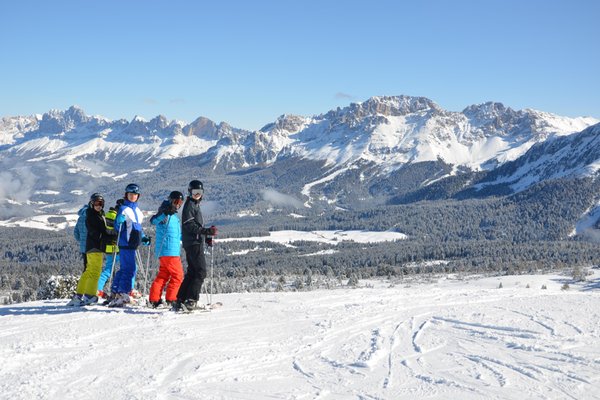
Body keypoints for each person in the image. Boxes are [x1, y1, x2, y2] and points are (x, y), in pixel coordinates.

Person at [67, 193, 117, 306]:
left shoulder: (92, 214)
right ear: (91, 204)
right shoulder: (94, 216)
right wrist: (113, 234)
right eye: (96, 203)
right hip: (95, 247)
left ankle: (79, 295)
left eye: (101, 203)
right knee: (94, 272)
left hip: (89, 247)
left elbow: (78, 234)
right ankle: (89, 295)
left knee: (88, 271)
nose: (98, 206)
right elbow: (101, 231)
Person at [175, 180, 217, 312]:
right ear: (190, 192)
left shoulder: (194, 204)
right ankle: (191, 300)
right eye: (194, 192)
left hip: (193, 242)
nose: (197, 194)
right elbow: (189, 225)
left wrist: (206, 237)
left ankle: (180, 299)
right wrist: (205, 231)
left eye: (200, 192)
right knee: (200, 272)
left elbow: (196, 226)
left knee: (192, 272)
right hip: (193, 243)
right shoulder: (190, 205)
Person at [108, 183, 151, 307]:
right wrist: (118, 221)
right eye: (131, 194)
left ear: (138, 196)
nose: (133, 196)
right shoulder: (123, 209)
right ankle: (123, 293)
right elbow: (117, 227)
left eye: (135, 194)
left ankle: (116, 291)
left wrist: (142, 237)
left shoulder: (137, 211)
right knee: (130, 269)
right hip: (125, 243)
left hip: (133, 243)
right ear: (126, 195)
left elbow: (137, 227)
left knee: (125, 268)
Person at [148, 191, 185, 308]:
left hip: (167, 251)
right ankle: (172, 299)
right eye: (176, 202)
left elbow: (177, 234)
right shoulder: (165, 212)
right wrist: (165, 213)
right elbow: (153, 221)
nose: (178, 205)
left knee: (163, 275)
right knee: (178, 276)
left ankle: (154, 299)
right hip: (169, 251)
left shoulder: (173, 215)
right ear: (170, 200)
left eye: (180, 203)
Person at [97, 199, 136, 298]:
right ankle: (128, 289)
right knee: (127, 267)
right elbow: (117, 231)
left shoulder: (108, 214)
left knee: (108, 269)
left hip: (108, 247)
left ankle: (97, 288)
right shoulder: (118, 216)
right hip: (117, 246)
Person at [73, 202, 88, 272]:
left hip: (83, 247)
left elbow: (75, 233)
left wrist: (81, 240)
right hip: (92, 245)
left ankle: (84, 282)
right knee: (93, 267)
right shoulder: (91, 216)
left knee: (86, 266)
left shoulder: (80, 218)